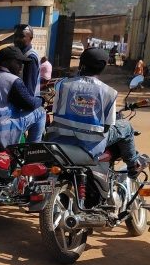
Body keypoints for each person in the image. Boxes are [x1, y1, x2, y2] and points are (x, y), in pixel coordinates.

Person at [48, 47, 147, 177]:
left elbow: (55, 114)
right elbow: (106, 127)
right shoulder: (110, 93)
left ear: (81, 63)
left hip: (59, 141)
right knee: (126, 126)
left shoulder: (62, 85)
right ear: (104, 66)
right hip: (90, 146)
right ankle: (133, 166)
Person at [13, 23, 41, 96]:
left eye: (21, 36)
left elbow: (29, 90)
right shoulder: (19, 53)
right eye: (15, 36)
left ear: (31, 38)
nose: (17, 39)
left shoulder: (30, 57)